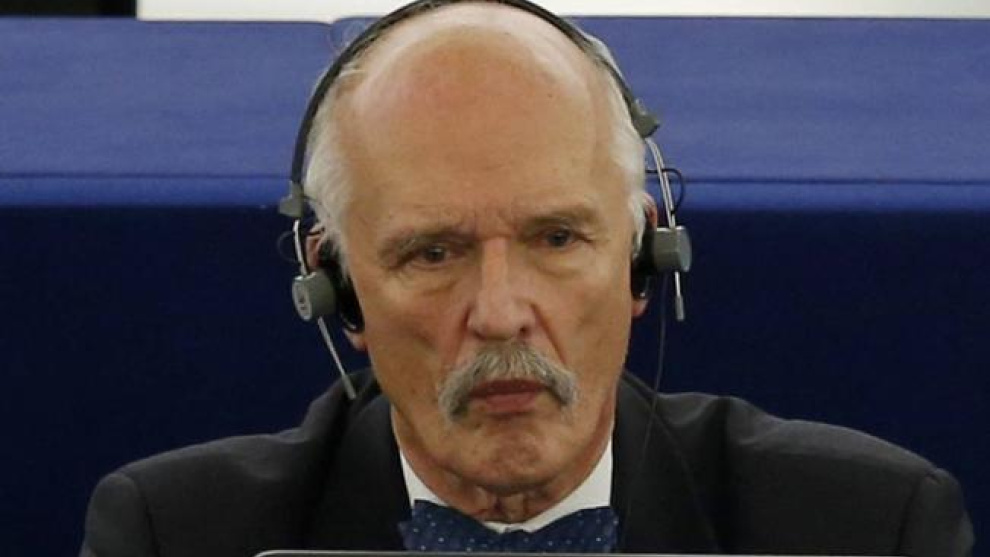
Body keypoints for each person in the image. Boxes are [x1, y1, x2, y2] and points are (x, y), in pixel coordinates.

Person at [79, 1, 974, 556]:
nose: (501, 313)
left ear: (640, 260)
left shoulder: (866, 526)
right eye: (433, 253)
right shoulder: (173, 534)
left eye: (555, 238)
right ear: (337, 287)